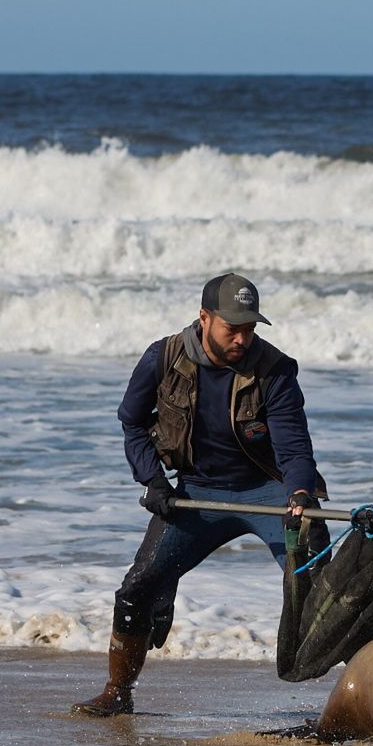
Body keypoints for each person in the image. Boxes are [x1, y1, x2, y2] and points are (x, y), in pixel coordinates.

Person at [74, 272, 323, 716]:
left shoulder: (276, 369)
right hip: (196, 494)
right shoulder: (163, 357)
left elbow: (294, 446)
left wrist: (300, 493)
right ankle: (117, 692)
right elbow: (132, 423)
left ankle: (372, 702)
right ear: (204, 318)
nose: (243, 339)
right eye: (233, 328)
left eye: (250, 329)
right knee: (136, 590)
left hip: (269, 492)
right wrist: (153, 481)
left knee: (324, 591)